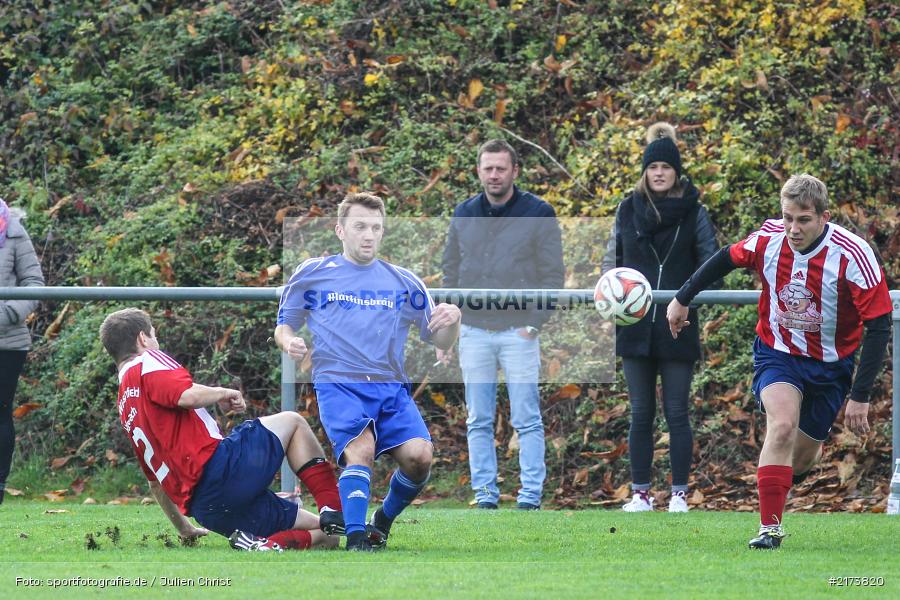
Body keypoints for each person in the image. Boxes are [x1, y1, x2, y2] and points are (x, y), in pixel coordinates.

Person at [667, 174, 892, 548]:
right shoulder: (769, 240)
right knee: (783, 424)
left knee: (802, 459)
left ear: (824, 217)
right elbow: (725, 257)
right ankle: (769, 529)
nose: (792, 228)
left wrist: (861, 395)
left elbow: (880, 326)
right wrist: (682, 297)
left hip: (831, 366)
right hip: (778, 354)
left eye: (803, 219)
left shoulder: (852, 254)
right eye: (787, 217)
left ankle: (781, 481)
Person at [274, 192, 461, 551]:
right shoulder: (313, 273)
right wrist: (289, 342)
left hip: (391, 388)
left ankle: (381, 522)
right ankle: (356, 539)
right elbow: (285, 324)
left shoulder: (404, 281)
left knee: (420, 458)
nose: (369, 235)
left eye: (376, 228)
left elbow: (439, 337)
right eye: (360, 226)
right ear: (340, 230)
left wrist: (453, 320)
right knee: (360, 449)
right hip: (339, 382)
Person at [99, 308, 343, 552]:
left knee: (327, 535)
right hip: (220, 473)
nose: (156, 341)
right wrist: (224, 392)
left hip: (207, 509)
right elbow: (186, 395)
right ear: (143, 338)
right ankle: (334, 509)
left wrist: (185, 528)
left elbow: (156, 483)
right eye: (154, 335)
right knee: (292, 422)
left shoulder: (125, 404)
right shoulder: (148, 360)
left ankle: (263, 545)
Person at [601, 123, 719, 513]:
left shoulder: (695, 212)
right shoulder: (627, 209)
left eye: (667, 167)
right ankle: (639, 494)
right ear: (645, 172)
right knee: (640, 413)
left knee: (677, 411)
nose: (659, 173)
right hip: (633, 326)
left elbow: (710, 260)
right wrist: (612, 298)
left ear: (676, 172)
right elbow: (611, 263)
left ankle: (680, 493)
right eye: (653, 167)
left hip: (678, 324)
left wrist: (687, 300)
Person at [440, 139, 564, 510]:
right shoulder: (464, 213)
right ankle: (485, 495)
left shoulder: (539, 213)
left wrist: (535, 323)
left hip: (518, 331)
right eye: (487, 168)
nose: (494, 175)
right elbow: (450, 273)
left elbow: (552, 275)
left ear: (514, 171)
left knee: (526, 417)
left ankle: (530, 496)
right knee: (478, 418)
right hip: (474, 330)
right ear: (479, 171)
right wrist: (449, 329)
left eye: (500, 168)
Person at [0, 199, 44, 506]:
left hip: (7, 342)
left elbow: (34, 284)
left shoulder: (14, 233)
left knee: (1, 414)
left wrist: (4, 315)